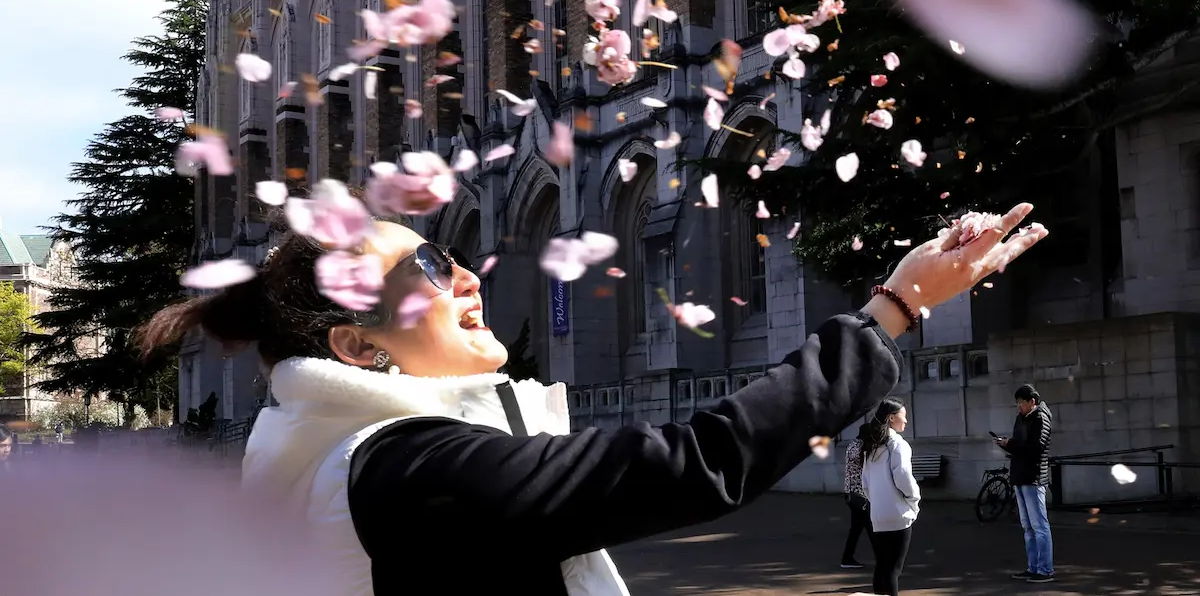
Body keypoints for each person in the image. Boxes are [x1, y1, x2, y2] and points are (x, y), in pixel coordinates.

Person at [138, 203, 1045, 596]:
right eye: (424, 265)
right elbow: (698, 459)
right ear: (358, 345)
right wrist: (894, 307)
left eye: (450, 251)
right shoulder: (406, 465)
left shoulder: (361, 454)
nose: (461, 273)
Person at [861, 398, 920, 596]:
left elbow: (865, 483)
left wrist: (877, 502)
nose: (906, 421)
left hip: (877, 514)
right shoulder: (897, 445)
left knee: (881, 567)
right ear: (892, 418)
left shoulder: (872, 446)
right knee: (893, 570)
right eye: (904, 416)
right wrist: (913, 500)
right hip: (898, 514)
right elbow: (903, 476)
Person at [996, 384, 1054, 583]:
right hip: (1020, 476)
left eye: (1021, 402)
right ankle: (1033, 567)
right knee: (1027, 526)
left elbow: (1035, 448)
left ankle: (1045, 570)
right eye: (1017, 403)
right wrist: (1008, 444)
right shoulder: (1022, 418)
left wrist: (1010, 444)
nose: (1019, 406)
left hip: (1033, 477)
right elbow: (1021, 446)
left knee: (1039, 526)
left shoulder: (1040, 418)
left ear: (1032, 402)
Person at [840, 423, 873, 569]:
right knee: (869, 527)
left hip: (852, 493)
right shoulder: (860, 448)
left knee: (859, 527)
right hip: (859, 494)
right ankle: (884, 558)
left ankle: (847, 558)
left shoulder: (852, 444)